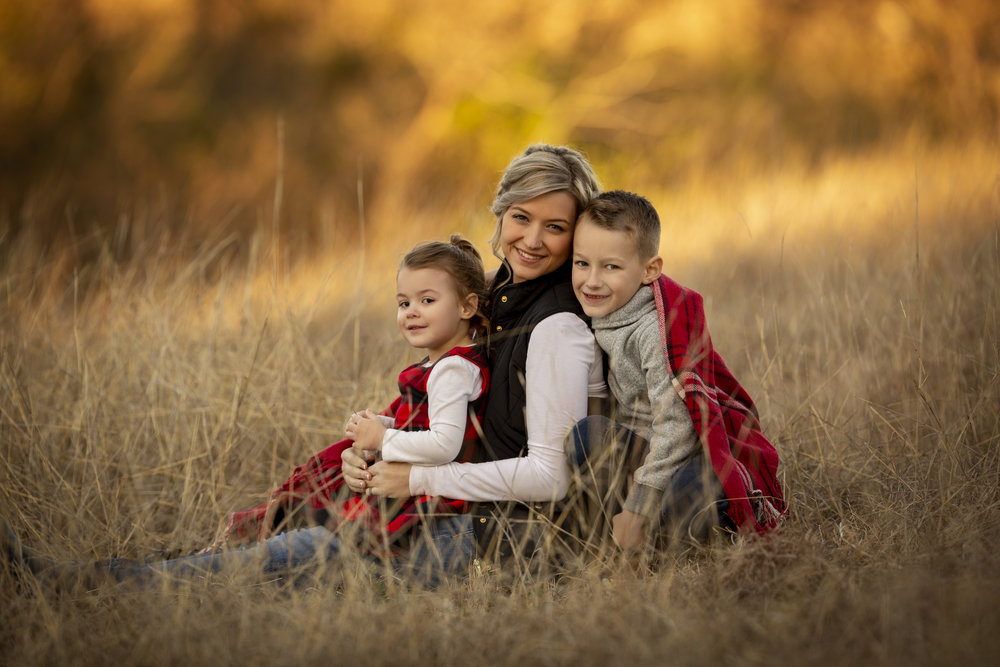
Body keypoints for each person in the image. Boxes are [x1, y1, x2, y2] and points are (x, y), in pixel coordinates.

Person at [4, 143, 605, 587]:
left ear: (576, 234)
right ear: (499, 215)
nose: (533, 239)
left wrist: (415, 475)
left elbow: (549, 476)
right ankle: (114, 573)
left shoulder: (556, 328)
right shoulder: (501, 297)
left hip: (470, 535)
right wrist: (377, 453)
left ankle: (81, 583)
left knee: (279, 562)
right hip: (438, 509)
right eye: (521, 218)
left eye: (556, 228)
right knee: (283, 531)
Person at [568, 190, 785, 552]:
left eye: (611, 266)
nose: (591, 280)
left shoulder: (655, 330)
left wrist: (640, 505)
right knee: (587, 435)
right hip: (643, 452)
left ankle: (655, 537)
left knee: (694, 489)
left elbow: (679, 425)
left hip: (688, 454)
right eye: (581, 263)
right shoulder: (601, 308)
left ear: (650, 269)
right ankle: (617, 536)